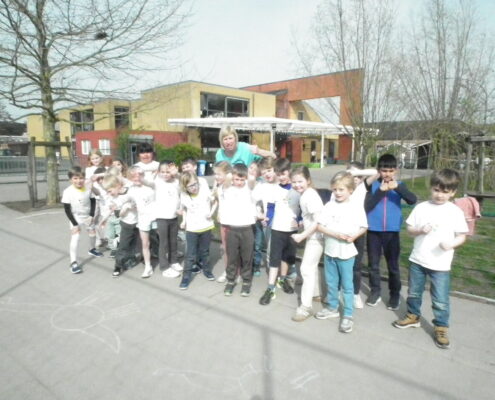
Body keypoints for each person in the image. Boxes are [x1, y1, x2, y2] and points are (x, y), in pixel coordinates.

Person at [393, 169, 468, 349]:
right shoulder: (422, 207)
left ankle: (441, 327)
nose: (439, 195)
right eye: (436, 190)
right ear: (431, 188)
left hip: (440, 265)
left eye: (445, 192)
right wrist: (420, 230)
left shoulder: (455, 212)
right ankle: (413, 316)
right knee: (414, 293)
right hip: (418, 260)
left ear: (453, 192)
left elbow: (462, 236)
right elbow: (410, 229)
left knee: (440, 299)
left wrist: (451, 244)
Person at [315, 171, 368, 333]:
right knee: (331, 282)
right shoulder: (329, 206)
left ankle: (348, 314)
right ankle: (332, 307)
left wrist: (353, 237)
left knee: (347, 284)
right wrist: (335, 234)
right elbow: (320, 226)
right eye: (335, 189)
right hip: (330, 251)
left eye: (341, 189)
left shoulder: (356, 207)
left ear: (350, 190)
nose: (337, 193)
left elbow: (363, 227)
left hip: (346, 253)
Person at [365, 154, 417, 309]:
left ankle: (394, 294)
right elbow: (367, 207)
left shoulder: (399, 185)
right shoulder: (372, 186)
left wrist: (398, 188)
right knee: (373, 265)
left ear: (396, 170)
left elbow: (412, 200)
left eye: (390, 170)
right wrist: (381, 191)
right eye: (384, 170)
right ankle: (375, 291)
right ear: (378, 170)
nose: (387, 174)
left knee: (393, 265)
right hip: (373, 231)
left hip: (392, 232)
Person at [259, 158, 300, 306]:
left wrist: (299, 220)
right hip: (277, 229)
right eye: (278, 174)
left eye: (283, 173)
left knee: (287, 257)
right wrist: (268, 219)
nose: (281, 177)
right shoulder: (274, 189)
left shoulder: (297, 189)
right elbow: (270, 208)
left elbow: (302, 209)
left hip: (292, 231)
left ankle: (282, 279)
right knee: (274, 258)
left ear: (290, 171)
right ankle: (270, 288)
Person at [290, 166, 324, 322]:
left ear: (308, 180)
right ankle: (315, 294)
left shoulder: (309, 196)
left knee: (306, 269)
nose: (297, 185)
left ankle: (305, 307)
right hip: (314, 235)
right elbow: (312, 218)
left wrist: (302, 235)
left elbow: (319, 221)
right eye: (294, 182)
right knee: (312, 266)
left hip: (317, 237)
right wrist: (302, 223)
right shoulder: (305, 194)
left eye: (300, 181)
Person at [222, 163, 257, 296]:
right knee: (232, 257)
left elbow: (252, 180)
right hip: (232, 229)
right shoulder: (228, 189)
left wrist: (248, 174)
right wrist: (232, 174)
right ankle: (230, 280)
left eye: (242, 179)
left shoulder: (249, 188)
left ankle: (246, 281)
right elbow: (226, 180)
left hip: (247, 229)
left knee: (247, 257)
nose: (239, 182)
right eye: (237, 179)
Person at [346, 161, 378, 308]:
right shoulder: (341, 188)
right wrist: (349, 175)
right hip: (341, 232)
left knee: (356, 266)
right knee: (340, 264)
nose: (355, 179)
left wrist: (358, 174)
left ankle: (355, 294)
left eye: (358, 176)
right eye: (352, 175)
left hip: (358, 232)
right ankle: (339, 291)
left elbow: (376, 172)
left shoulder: (362, 188)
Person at [61, 166, 103, 274]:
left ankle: (92, 249)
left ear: (84, 178)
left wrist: (91, 216)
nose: (79, 181)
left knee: (92, 233)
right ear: (70, 179)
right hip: (75, 217)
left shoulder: (87, 188)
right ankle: (73, 262)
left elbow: (93, 201)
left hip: (87, 216)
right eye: (75, 178)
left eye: (81, 178)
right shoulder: (67, 192)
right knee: (75, 237)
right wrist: (75, 224)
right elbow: (67, 210)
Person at [178, 171, 215, 290]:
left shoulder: (204, 189)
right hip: (192, 229)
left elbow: (214, 201)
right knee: (190, 254)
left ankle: (207, 270)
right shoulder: (184, 195)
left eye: (195, 184)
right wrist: (184, 221)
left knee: (205, 251)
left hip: (206, 226)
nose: (194, 187)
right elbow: (184, 209)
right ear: (185, 187)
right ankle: (186, 277)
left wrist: (211, 213)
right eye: (190, 186)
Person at [154, 160, 183, 278]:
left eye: (168, 172)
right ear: (158, 172)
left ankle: (173, 261)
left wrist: (177, 174)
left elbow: (185, 182)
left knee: (173, 241)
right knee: (164, 243)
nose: (165, 174)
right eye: (162, 172)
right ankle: (164, 267)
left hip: (174, 216)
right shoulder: (157, 182)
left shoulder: (176, 181)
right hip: (161, 217)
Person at [127, 166, 157, 279]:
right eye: (133, 176)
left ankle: (168, 261)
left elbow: (153, 184)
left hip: (156, 217)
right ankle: (148, 266)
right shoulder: (131, 190)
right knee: (145, 244)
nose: (137, 178)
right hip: (143, 219)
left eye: (139, 175)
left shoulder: (150, 185)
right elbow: (129, 201)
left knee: (163, 240)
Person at [211, 161, 233, 283]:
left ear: (228, 174)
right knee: (225, 248)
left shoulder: (232, 187)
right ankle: (227, 270)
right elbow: (218, 202)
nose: (216, 177)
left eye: (219, 174)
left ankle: (237, 271)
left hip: (234, 224)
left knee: (234, 248)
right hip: (223, 222)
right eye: (215, 174)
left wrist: (229, 176)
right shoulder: (219, 188)